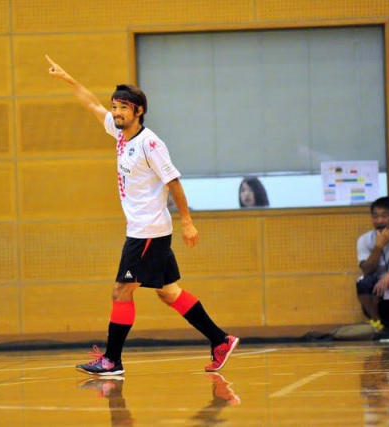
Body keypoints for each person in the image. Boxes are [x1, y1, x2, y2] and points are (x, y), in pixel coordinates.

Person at [46, 55, 239, 375]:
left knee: (121, 291)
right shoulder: (120, 133)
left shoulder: (150, 144)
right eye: (115, 106)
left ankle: (112, 360)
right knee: (168, 292)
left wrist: (187, 222)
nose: (116, 112)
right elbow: (92, 105)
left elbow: (173, 182)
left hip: (147, 231)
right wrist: (68, 78)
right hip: (147, 230)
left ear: (138, 111)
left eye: (123, 107)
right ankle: (220, 340)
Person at [356, 196, 389, 334]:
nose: (379, 221)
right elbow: (366, 270)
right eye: (375, 216)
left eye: (384, 216)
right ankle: (377, 322)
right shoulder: (364, 240)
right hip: (378, 294)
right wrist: (378, 247)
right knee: (363, 282)